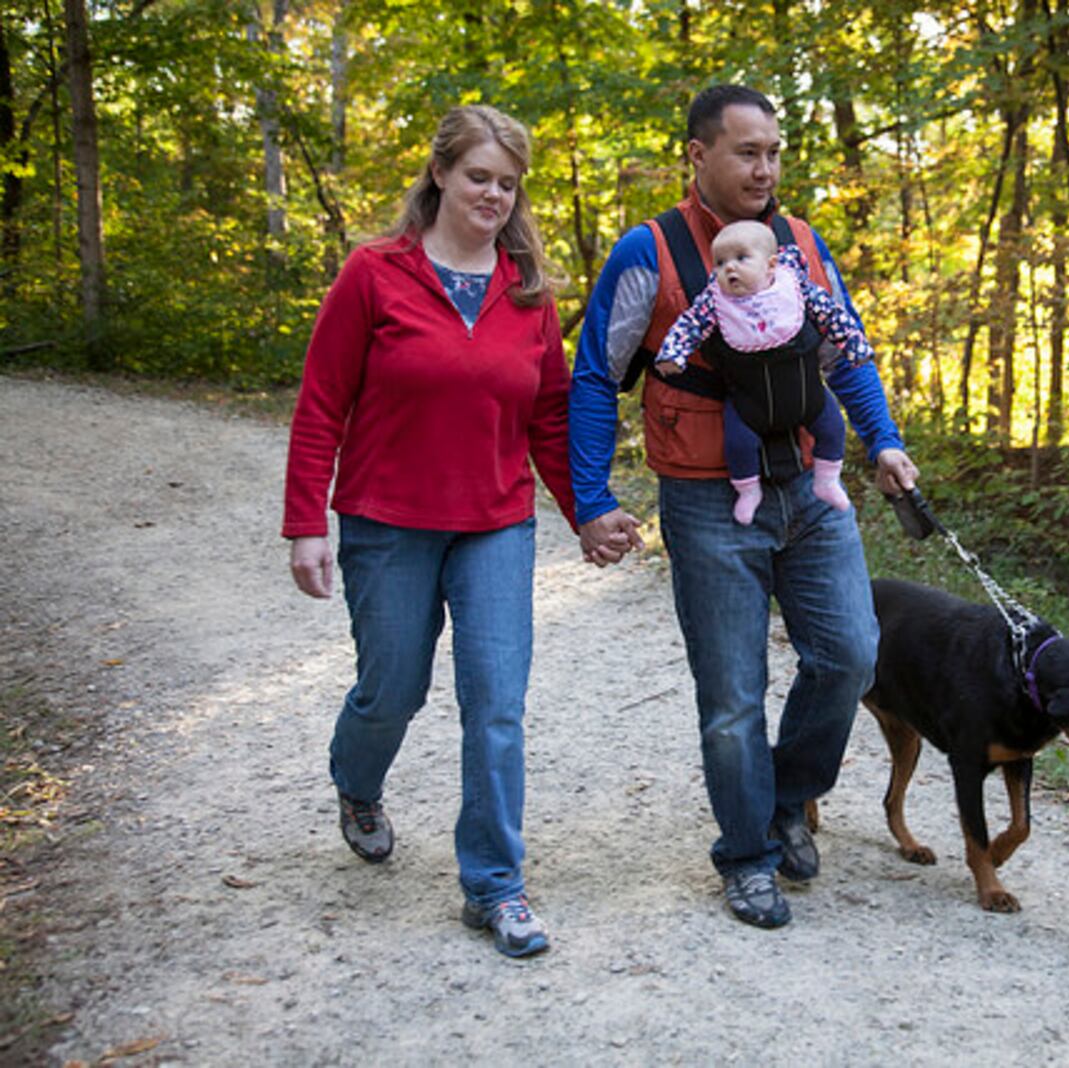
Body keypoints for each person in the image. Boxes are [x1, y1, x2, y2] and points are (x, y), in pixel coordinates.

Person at [569, 84, 919, 929]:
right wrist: (590, 497)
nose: (765, 169)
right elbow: (591, 377)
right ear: (698, 154)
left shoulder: (799, 243)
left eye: (773, 153)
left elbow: (846, 353)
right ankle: (747, 856)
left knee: (851, 653)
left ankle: (788, 798)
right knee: (731, 695)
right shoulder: (645, 254)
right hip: (704, 500)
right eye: (746, 152)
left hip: (812, 486)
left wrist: (883, 441)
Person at [281, 104, 616, 958]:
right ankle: (358, 784)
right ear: (440, 175)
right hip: (386, 520)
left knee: (497, 705)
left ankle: (496, 886)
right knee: (392, 688)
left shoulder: (528, 291)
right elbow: (322, 402)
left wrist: (586, 514)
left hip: (495, 525)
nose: (494, 195)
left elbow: (548, 417)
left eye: (508, 183)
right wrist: (305, 524)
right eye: (479, 177)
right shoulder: (375, 273)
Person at [655, 220, 873, 524]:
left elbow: (833, 316)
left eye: (742, 258)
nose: (729, 268)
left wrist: (855, 347)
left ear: (771, 265)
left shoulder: (796, 288)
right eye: (720, 262)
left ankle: (827, 480)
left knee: (833, 427)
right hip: (748, 405)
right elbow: (688, 326)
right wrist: (673, 354)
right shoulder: (715, 301)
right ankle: (748, 490)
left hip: (807, 396)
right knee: (738, 444)